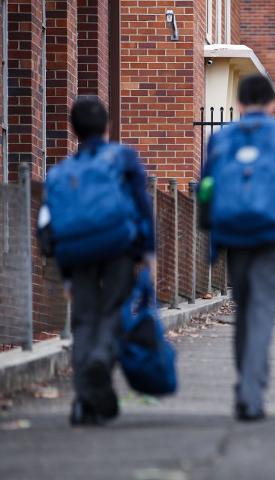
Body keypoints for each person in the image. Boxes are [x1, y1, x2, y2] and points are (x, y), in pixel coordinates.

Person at [199, 74, 275, 421]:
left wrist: (211, 239)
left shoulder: (220, 138)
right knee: (262, 311)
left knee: (244, 309)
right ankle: (251, 391)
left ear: (238, 105)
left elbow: (207, 188)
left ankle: (245, 382)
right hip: (273, 235)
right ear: (273, 104)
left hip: (234, 235)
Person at [38, 96, 155, 426]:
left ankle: (83, 402)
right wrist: (147, 252)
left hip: (75, 252)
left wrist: (64, 272)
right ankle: (101, 360)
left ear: (72, 129)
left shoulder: (61, 172)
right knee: (113, 311)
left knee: (83, 320)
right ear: (107, 126)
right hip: (117, 247)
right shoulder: (123, 159)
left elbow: (48, 220)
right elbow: (142, 206)